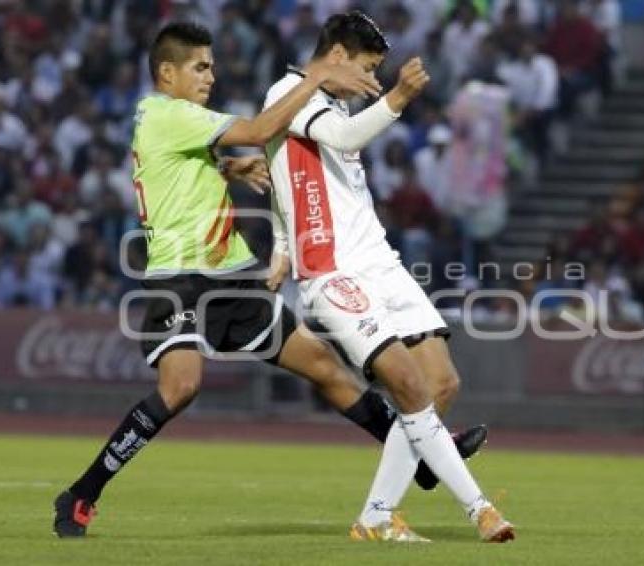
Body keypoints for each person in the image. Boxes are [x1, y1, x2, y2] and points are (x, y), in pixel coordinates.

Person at [52, 22, 486, 539]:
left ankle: (415, 453)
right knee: (181, 387)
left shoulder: (174, 120)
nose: (211, 75)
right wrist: (314, 77)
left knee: (325, 366)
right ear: (167, 73)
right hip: (183, 279)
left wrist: (229, 170)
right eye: (200, 67)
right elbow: (261, 130)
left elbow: (177, 170)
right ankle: (82, 493)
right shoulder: (170, 113)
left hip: (232, 277)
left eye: (211, 65)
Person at [263, 12, 514, 543]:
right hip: (333, 271)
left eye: (379, 73)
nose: (371, 81)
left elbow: (295, 183)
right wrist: (397, 96)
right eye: (367, 68)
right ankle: (480, 509)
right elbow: (344, 134)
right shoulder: (287, 93)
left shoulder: (332, 98)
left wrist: (281, 243)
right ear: (336, 56)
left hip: (380, 260)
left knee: (441, 383)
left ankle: (377, 516)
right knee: (406, 382)